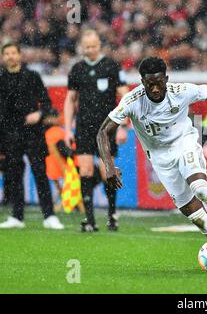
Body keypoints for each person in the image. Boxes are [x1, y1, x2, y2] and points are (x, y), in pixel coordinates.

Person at [97, 56, 207, 269]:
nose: (155, 89)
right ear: (142, 81)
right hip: (159, 158)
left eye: (159, 82)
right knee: (195, 214)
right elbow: (103, 131)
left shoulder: (181, 91)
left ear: (166, 78)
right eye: (149, 84)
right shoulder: (132, 101)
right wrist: (109, 165)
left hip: (185, 143)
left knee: (200, 189)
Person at [64, 30, 129, 232]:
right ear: (82, 47)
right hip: (83, 127)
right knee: (85, 170)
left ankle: (111, 216)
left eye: (93, 46)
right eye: (87, 47)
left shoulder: (111, 66)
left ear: (99, 45)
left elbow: (125, 96)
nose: (90, 50)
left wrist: (123, 125)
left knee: (106, 171)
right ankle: (89, 219)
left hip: (106, 127)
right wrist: (68, 129)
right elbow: (70, 99)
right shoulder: (77, 68)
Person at [0, 42, 64, 229]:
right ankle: (17, 217)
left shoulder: (32, 76)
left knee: (39, 172)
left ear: (20, 55)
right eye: (7, 54)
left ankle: (49, 216)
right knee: (14, 175)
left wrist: (39, 114)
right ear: (3, 57)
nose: (10, 56)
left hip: (32, 133)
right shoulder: (1, 79)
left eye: (13, 53)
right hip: (9, 134)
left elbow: (46, 103)